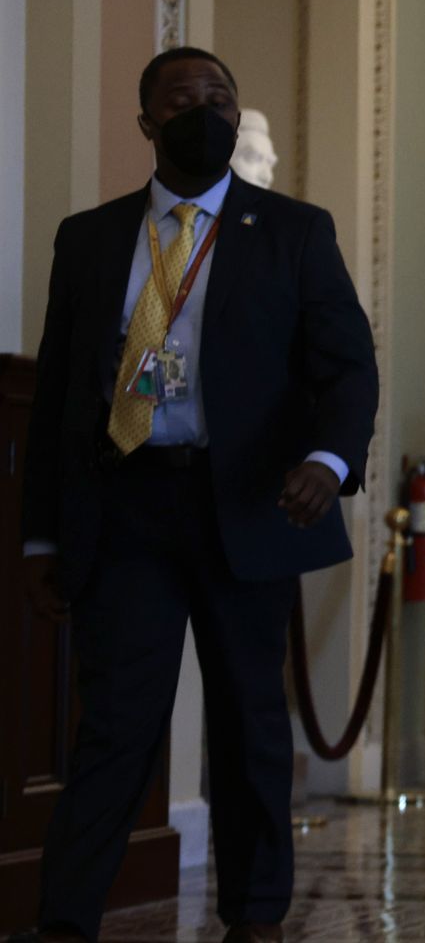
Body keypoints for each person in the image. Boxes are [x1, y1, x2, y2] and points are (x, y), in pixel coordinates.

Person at [18, 47, 378, 943]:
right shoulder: (91, 237)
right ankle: (65, 923)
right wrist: (40, 538)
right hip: (128, 508)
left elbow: (348, 368)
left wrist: (329, 462)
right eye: (184, 99)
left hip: (247, 508)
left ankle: (254, 920)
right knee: (113, 730)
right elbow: (62, 392)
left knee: (251, 723)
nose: (205, 111)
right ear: (148, 122)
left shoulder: (294, 231)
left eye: (220, 98)